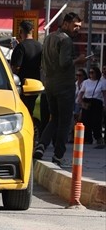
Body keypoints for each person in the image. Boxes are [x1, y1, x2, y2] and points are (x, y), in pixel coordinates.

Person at [35, 12, 87, 168]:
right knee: (65, 122)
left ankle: (41, 145)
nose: (77, 29)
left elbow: (43, 61)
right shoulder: (66, 40)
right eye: (75, 26)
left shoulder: (50, 37)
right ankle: (58, 156)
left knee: (54, 118)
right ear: (65, 24)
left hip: (50, 85)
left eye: (79, 27)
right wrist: (79, 60)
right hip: (64, 86)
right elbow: (64, 63)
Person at [10, 20, 44, 128]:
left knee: (21, 110)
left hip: (22, 84)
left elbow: (16, 67)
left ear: (21, 31)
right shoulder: (39, 46)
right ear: (32, 31)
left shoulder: (21, 47)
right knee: (31, 109)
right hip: (36, 83)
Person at [84, 65, 105, 148]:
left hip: (97, 103)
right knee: (86, 121)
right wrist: (81, 102)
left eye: (92, 72)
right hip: (87, 102)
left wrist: (104, 104)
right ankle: (88, 138)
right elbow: (81, 93)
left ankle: (98, 137)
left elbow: (104, 95)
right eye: (90, 72)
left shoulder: (101, 83)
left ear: (97, 73)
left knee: (96, 121)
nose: (91, 74)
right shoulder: (86, 82)